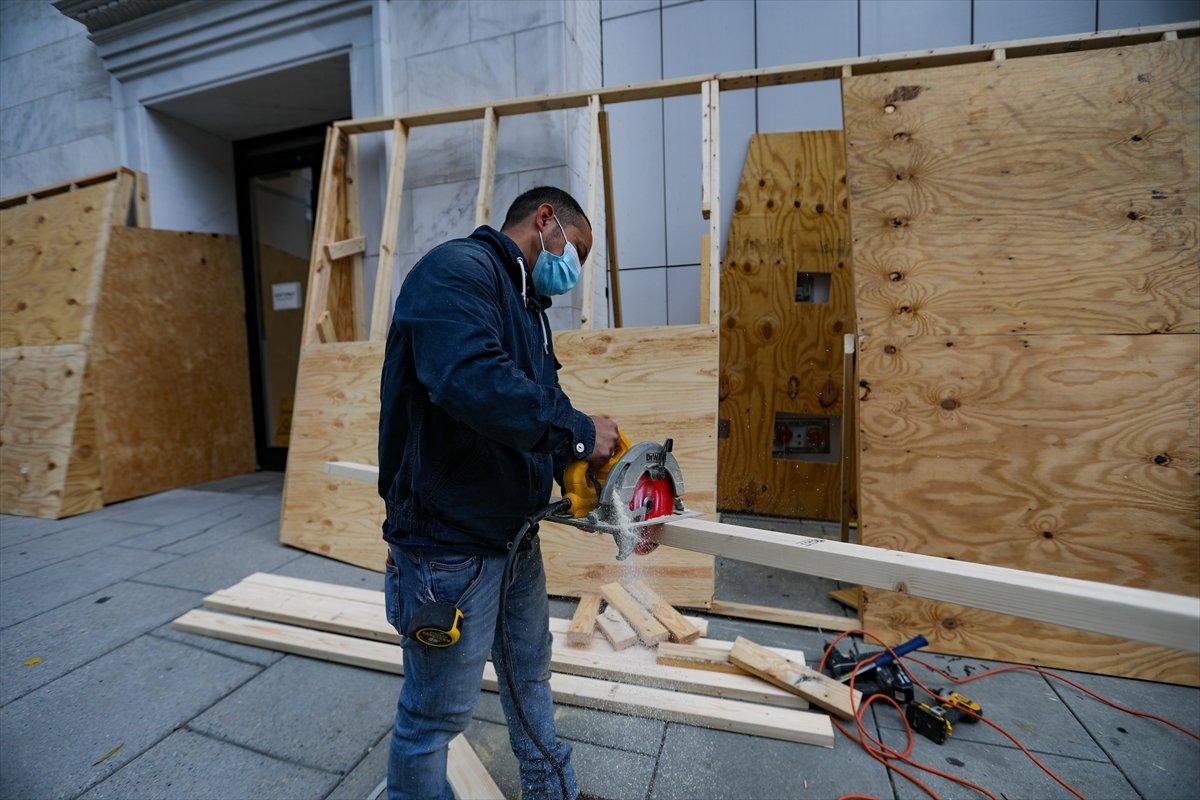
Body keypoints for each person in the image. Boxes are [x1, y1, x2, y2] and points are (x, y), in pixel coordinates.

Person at [377, 186, 621, 800]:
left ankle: (551, 792)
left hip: (511, 534)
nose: (574, 270)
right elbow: (472, 382)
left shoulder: (524, 300)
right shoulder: (455, 271)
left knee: (528, 672)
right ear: (546, 220)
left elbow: (538, 397)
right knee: (434, 716)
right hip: (447, 544)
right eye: (577, 251)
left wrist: (582, 447)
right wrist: (578, 433)